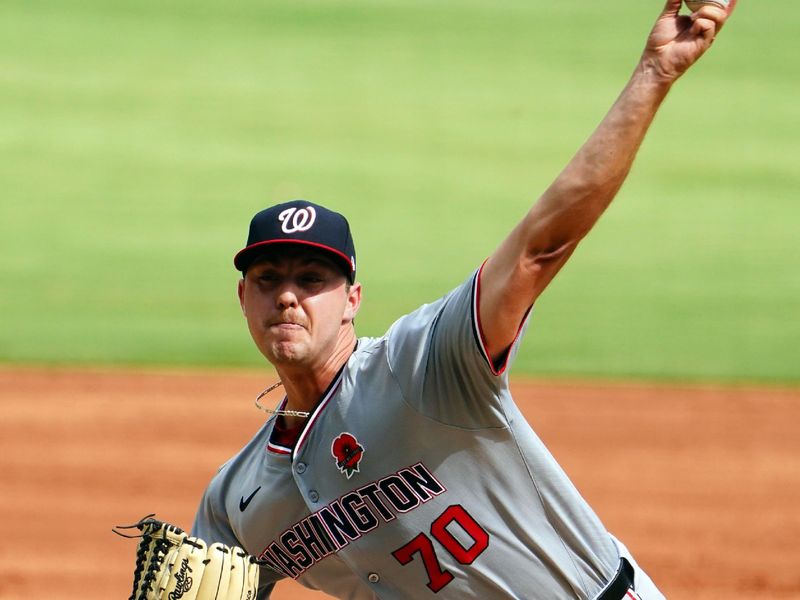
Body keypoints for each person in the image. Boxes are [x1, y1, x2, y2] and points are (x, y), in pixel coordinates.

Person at [191, 1, 736, 598]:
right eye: (269, 279)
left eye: (312, 280)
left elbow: (539, 248)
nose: (289, 296)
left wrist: (653, 75)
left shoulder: (426, 366)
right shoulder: (236, 503)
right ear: (244, 296)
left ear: (352, 300)